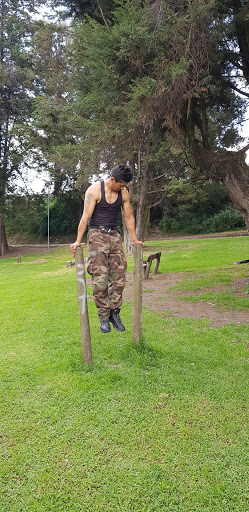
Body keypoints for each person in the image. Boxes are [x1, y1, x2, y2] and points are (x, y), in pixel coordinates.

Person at [70, 164, 144, 333]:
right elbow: (85, 217)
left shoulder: (123, 192)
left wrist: (134, 240)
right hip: (97, 235)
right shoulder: (94, 191)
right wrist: (77, 241)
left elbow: (128, 216)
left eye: (125, 186)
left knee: (119, 276)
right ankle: (103, 315)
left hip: (115, 235)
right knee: (100, 278)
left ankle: (114, 312)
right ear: (112, 180)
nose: (124, 188)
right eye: (121, 185)